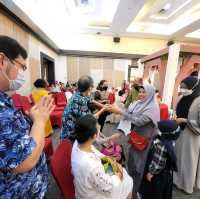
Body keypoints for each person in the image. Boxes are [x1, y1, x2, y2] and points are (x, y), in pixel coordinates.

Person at [0, 36, 55, 198]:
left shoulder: (5, 98)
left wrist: (31, 119)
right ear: (2, 60)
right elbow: (24, 160)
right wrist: (40, 121)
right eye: (21, 67)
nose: (21, 74)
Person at [108, 85, 160, 199]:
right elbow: (131, 115)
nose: (141, 94)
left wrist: (121, 112)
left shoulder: (153, 108)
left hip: (144, 141)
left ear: (150, 94)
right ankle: (129, 188)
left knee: (138, 166)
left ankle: (134, 192)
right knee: (132, 162)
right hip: (136, 138)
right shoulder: (140, 103)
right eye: (140, 92)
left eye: (144, 92)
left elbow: (139, 121)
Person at [71, 114, 133, 199]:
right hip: (92, 195)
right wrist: (119, 173)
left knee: (121, 172)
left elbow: (101, 157)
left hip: (88, 182)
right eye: (98, 127)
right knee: (128, 183)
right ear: (94, 136)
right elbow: (110, 187)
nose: (100, 126)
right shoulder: (91, 165)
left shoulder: (78, 143)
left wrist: (114, 165)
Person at [140, 120, 181, 199]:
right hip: (167, 174)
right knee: (164, 193)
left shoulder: (162, 145)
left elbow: (158, 163)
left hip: (159, 176)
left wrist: (151, 173)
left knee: (155, 192)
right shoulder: (171, 141)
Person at [173, 76, 200, 194]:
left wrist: (185, 121)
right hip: (179, 132)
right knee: (178, 157)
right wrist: (174, 116)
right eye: (181, 87)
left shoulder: (199, 101)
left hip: (191, 135)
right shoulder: (180, 97)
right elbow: (175, 110)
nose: (182, 89)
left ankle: (187, 185)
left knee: (189, 160)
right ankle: (176, 180)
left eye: (185, 87)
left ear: (193, 87)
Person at [60, 76, 108, 141]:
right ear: (90, 87)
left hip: (71, 127)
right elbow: (90, 118)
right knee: (94, 127)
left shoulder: (79, 93)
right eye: (92, 86)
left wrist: (102, 105)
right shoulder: (79, 101)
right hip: (70, 134)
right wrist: (104, 109)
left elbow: (90, 100)